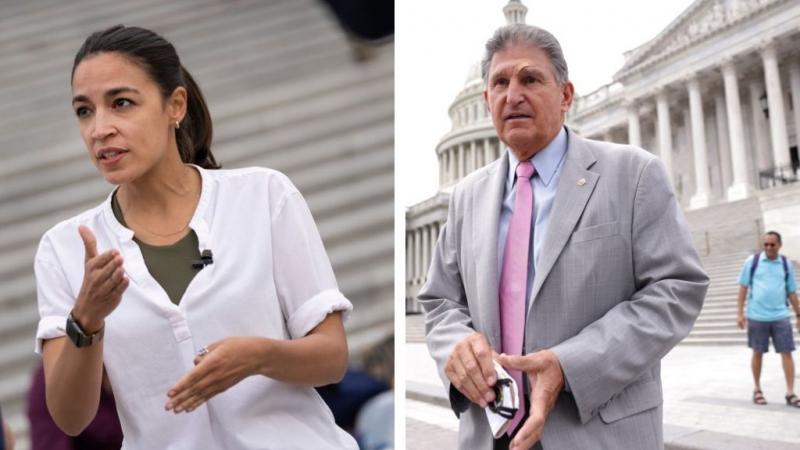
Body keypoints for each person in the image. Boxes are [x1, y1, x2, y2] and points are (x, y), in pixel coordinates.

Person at [34, 25, 357, 449]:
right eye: (84, 111)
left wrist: (258, 356)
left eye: (122, 103)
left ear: (175, 105)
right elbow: (70, 418)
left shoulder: (264, 195)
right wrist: (86, 321)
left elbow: (332, 358)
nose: (100, 129)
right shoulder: (63, 249)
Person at [419, 24, 709, 450]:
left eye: (530, 79)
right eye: (500, 82)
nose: (512, 95)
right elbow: (439, 301)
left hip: (597, 432)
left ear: (566, 95)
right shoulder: (466, 198)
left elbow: (678, 288)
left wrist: (569, 365)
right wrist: (457, 347)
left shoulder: (633, 174)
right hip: (490, 434)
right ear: (486, 101)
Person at [736, 231, 800, 407]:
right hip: (757, 316)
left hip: (781, 316)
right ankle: (757, 390)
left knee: (787, 353)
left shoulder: (786, 264)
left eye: (772, 244)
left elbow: (792, 291)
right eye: (766, 244)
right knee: (757, 353)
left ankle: (790, 392)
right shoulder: (753, 262)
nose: (769, 248)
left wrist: (798, 314)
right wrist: (740, 313)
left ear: (779, 245)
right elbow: (743, 287)